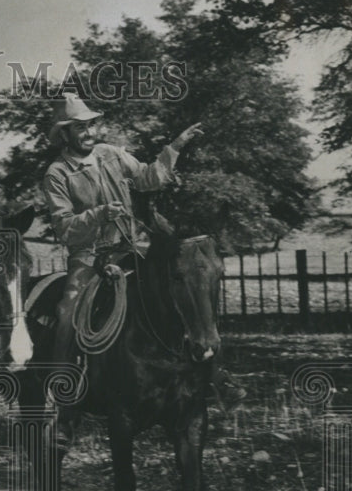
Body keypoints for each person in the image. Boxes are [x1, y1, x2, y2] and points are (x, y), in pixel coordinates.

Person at [41, 93, 244, 402]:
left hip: (134, 245)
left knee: (189, 283)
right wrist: (99, 214)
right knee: (67, 309)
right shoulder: (56, 174)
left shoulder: (111, 153)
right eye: (79, 128)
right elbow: (64, 227)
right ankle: (62, 383)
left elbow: (148, 178)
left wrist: (175, 147)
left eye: (92, 126)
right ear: (65, 133)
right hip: (89, 256)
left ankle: (214, 374)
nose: (88, 133)